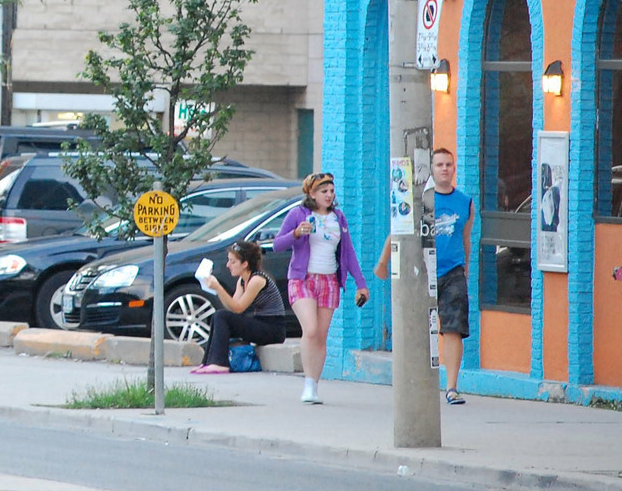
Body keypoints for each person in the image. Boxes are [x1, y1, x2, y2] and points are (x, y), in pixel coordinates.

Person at [375, 147, 474, 405]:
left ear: (454, 168)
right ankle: (414, 383)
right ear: (431, 169)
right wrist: (383, 262)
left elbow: (466, 238)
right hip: (421, 272)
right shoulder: (420, 200)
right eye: (439, 164)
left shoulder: (465, 202)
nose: (444, 168)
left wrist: (467, 268)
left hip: (453, 273)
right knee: (417, 329)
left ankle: (451, 387)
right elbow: (397, 230)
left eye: (448, 164)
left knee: (453, 329)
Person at [274, 172, 369, 404]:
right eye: (323, 191)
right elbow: (277, 244)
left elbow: (348, 252)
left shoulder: (338, 217)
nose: (329, 195)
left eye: (331, 191)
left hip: (329, 280)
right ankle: (306, 383)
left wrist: (361, 283)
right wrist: (296, 233)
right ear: (312, 193)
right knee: (312, 329)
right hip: (302, 279)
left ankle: (313, 386)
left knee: (321, 336)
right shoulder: (298, 214)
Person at [191, 240, 287, 374]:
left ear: (245, 264)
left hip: (273, 329)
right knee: (218, 316)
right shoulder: (242, 281)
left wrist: (219, 288)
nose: (228, 265)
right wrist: (214, 289)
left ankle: (219, 363)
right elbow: (232, 307)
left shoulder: (257, 280)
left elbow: (238, 308)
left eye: (232, 261)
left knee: (221, 316)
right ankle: (207, 362)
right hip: (260, 322)